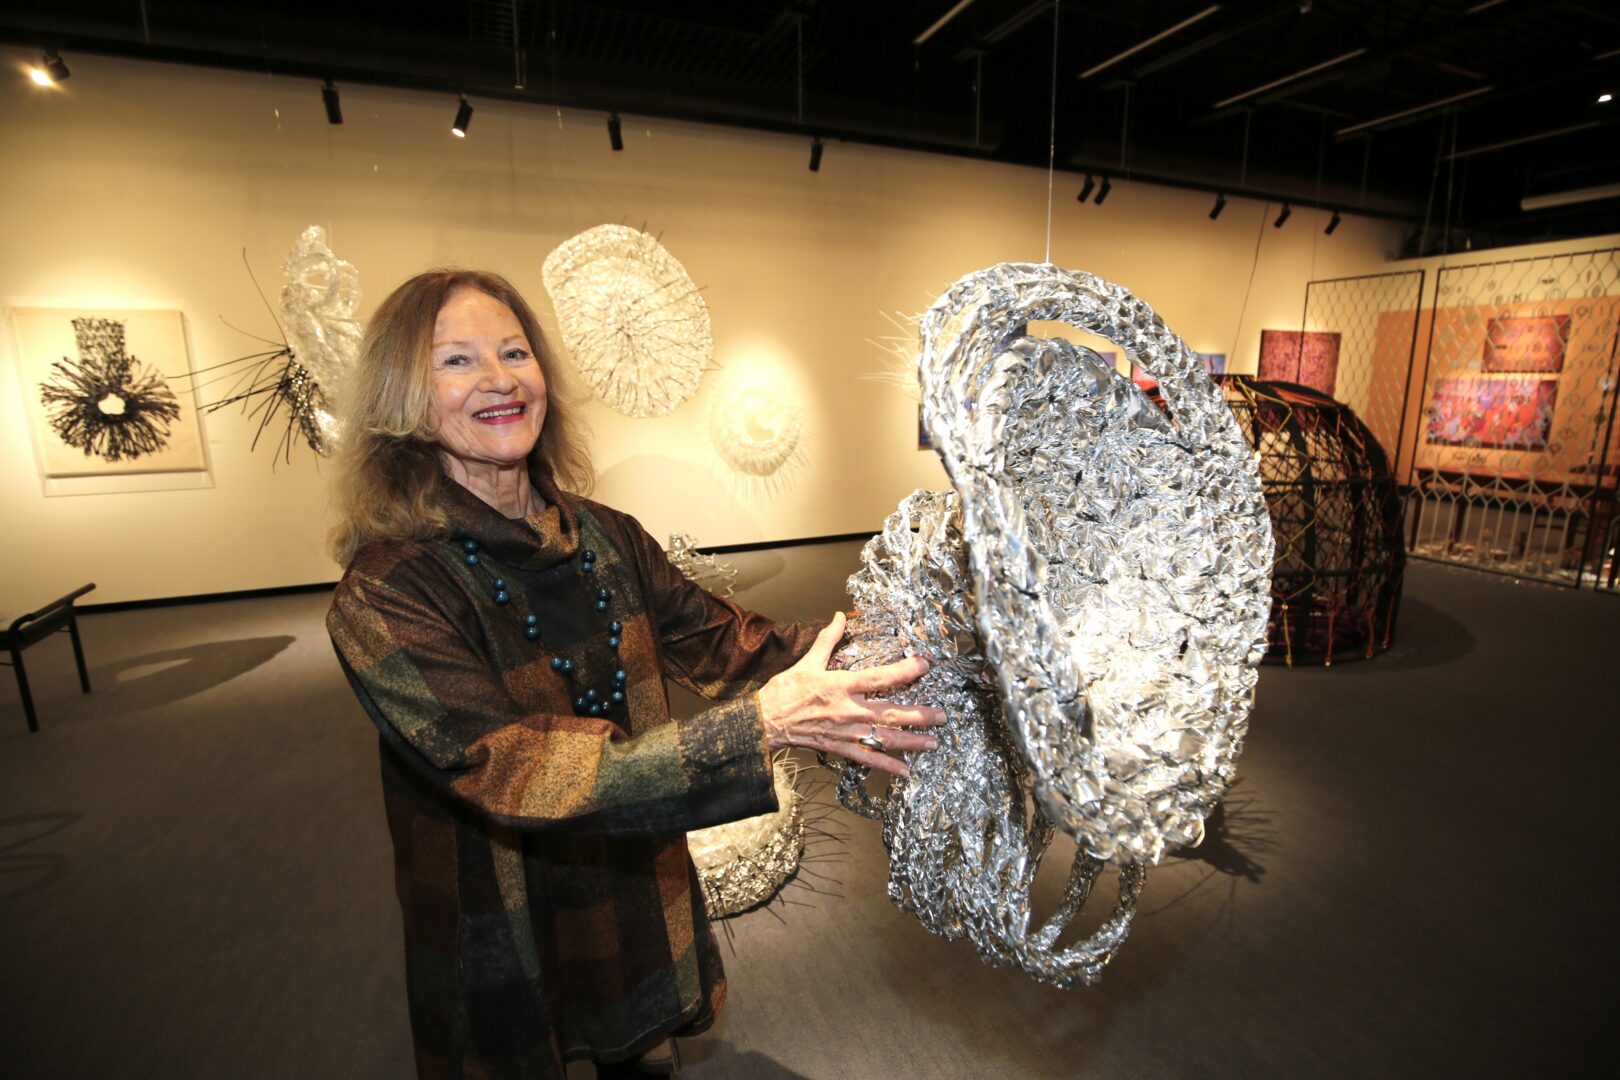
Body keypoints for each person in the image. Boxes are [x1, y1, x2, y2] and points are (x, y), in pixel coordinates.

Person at [325, 269, 943, 1079]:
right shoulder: (388, 588)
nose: (500, 379)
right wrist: (764, 724)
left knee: (642, 1052)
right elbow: (512, 767)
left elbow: (730, 643)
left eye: (515, 351)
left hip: (623, 864)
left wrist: (902, 644)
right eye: (456, 361)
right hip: (498, 894)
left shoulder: (607, 536)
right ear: (400, 394)